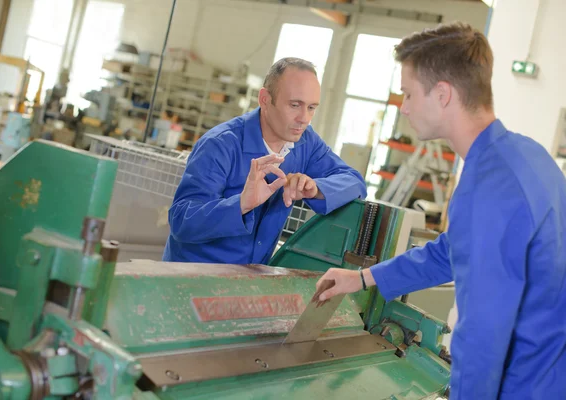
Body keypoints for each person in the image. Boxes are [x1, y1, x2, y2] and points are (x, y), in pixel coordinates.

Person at [316, 22, 566, 398]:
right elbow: (452, 251)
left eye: (409, 93)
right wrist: (363, 279)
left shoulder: (491, 185)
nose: (405, 107)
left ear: (443, 94)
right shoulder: (526, 155)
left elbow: (484, 330)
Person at [164, 58, 367, 264]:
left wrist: (316, 188)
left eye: (312, 107)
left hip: (250, 280)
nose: (304, 118)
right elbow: (181, 222)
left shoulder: (306, 142)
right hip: (193, 278)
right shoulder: (220, 145)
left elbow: (354, 182)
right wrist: (241, 204)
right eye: (295, 105)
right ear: (264, 99)